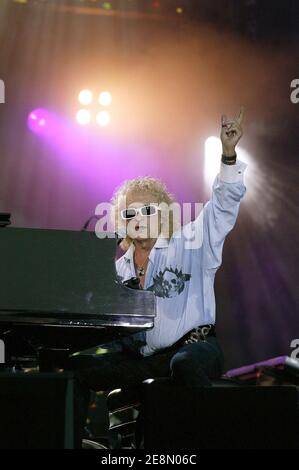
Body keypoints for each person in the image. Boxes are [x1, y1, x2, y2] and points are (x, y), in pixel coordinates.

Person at [72, 108, 247, 445]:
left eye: (148, 210)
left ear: (164, 213)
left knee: (183, 363)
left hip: (197, 348)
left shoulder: (191, 243)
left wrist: (227, 156)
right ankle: (72, 439)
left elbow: (222, 209)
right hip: (149, 360)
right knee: (77, 371)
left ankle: (216, 439)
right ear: (121, 220)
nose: (139, 217)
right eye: (130, 212)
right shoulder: (118, 269)